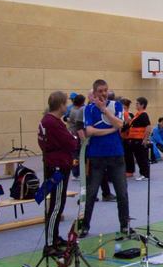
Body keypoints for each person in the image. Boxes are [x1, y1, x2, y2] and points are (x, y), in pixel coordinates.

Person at [80, 79, 131, 238]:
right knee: (91, 193)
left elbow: (120, 124)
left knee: (122, 192)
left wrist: (104, 110)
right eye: (100, 91)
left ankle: (124, 225)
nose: (103, 93)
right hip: (96, 156)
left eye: (105, 90)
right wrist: (110, 130)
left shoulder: (116, 105)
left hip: (116, 155)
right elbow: (89, 131)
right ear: (94, 92)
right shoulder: (88, 109)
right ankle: (84, 226)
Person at [38, 91, 78, 255]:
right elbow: (71, 142)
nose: (67, 106)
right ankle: (49, 244)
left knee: (58, 203)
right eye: (65, 104)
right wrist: (74, 138)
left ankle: (54, 238)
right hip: (58, 167)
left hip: (55, 163)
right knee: (56, 205)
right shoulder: (53, 123)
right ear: (61, 105)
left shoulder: (48, 120)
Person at [126, 97, 152, 181]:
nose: (136, 105)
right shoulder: (137, 114)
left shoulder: (144, 115)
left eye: (137, 103)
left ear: (142, 105)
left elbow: (148, 127)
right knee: (138, 157)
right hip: (134, 140)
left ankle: (145, 174)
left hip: (140, 140)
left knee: (142, 158)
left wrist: (145, 139)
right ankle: (142, 173)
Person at [67, 94, 86, 179]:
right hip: (76, 134)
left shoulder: (72, 109)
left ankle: (76, 172)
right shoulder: (77, 112)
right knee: (76, 154)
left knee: (75, 154)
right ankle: (76, 172)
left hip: (72, 133)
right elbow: (79, 123)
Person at [120, 98, 135, 177]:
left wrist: (127, 123)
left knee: (128, 154)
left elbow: (128, 127)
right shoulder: (121, 114)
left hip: (128, 137)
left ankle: (130, 170)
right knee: (124, 154)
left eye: (124, 107)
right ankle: (125, 169)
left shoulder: (130, 115)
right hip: (122, 136)